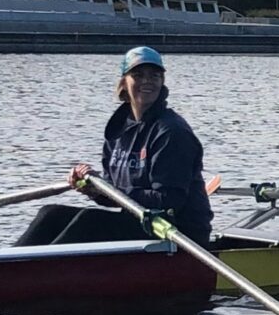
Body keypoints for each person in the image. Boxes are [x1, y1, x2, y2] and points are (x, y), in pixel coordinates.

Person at [15, 47, 214, 245]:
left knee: (88, 223)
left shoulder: (171, 132)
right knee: (51, 214)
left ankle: (39, 273)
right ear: (124, 83)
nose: (147, 81)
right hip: (142, 223)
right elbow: (115, 196)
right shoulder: (118, 131)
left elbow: (168, 201)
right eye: (138, 75)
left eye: (154, 75)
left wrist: (107, 190)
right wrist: (95, 190)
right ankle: (4, 269)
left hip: (181, 233)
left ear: (162, 82)